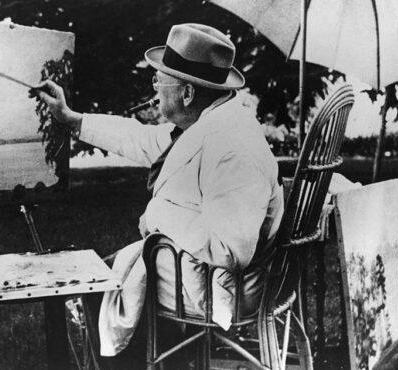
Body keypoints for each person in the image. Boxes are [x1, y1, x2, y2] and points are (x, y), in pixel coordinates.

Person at [32, 23, 284, 366]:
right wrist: (70, 118)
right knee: (107, 279)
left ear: (187, 94)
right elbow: (140, 139)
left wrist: (159, 215)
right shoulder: (205, 124)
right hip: (196, 270)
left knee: (101, 289)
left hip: (222, 288)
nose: (154, 86)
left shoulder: (232, 148)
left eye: (159, 79)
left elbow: (229, 250)